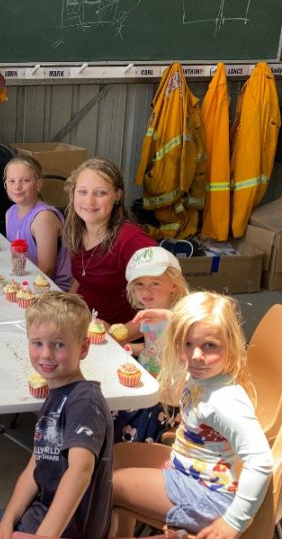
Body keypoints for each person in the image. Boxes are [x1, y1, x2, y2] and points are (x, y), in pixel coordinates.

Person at [111, 292, 273, 538]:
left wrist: (233, 522)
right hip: (191, 475)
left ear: (230, 344)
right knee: (115, 457)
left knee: (108, 486)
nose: (196, 355)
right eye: (187, 343)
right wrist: (170, 317)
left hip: (208, 496)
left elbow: (260, 461)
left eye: (209, 345)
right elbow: (198, 333)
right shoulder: (205, 373)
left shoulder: (225, 401)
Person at [0, 292, 113, 539]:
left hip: (63, 530)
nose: (46, 355)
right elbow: (36, 465)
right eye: (37, 343)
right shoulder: (57, 395)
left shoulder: (84, 402)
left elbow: (80, 469)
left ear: (84, 348)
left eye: (59, 344)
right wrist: (7, 522)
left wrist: (45, 535)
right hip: (41, 517)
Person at [63, 158, 156, 324]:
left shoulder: (131, 240)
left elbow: (165, 302)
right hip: (82, 326)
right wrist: (66, 303)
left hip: (118, 341)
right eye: (82, 191)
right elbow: (85, 274)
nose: (89, 201)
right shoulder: (77, 229)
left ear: (117, 196)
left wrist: (120, 334)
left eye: (101, 193)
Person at [111, 246, 189, 444]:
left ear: (174, 284)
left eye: (155, 283)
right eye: (139, 284)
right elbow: (152, 348)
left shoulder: (182, 315)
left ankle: (129, 456)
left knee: (125, 424)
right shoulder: (149, 313)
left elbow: (197, 330)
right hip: (146, 380)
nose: (146, 291)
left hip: (166, 398)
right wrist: (130, 349)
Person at [4, 156, 72, 291]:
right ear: (5, 185)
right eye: (11, 181)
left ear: (39, 184)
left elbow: (47, 270)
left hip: (51, 288)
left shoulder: (43, 218)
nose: (17, 186)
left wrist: (21, 289)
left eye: (25, 180)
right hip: (25, 280)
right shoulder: (10, 212)